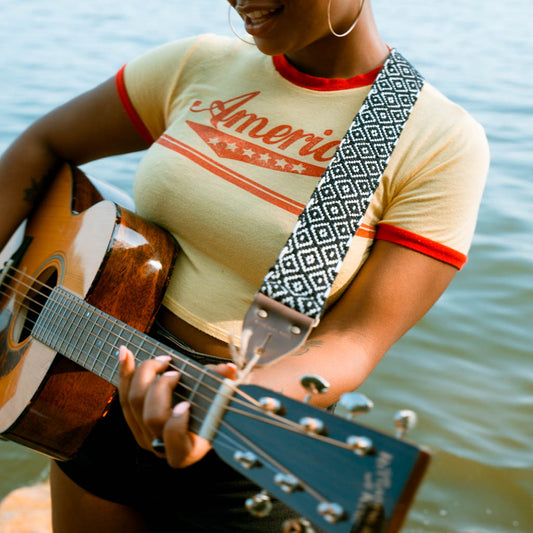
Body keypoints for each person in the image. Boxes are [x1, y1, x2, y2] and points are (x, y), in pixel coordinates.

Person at [0, 0, 489, 531]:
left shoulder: (439, 139)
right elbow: (42, 143)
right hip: (78, 390)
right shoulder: (196, 63)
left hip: (242, 450)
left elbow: (357, 338)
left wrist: (235, 405)